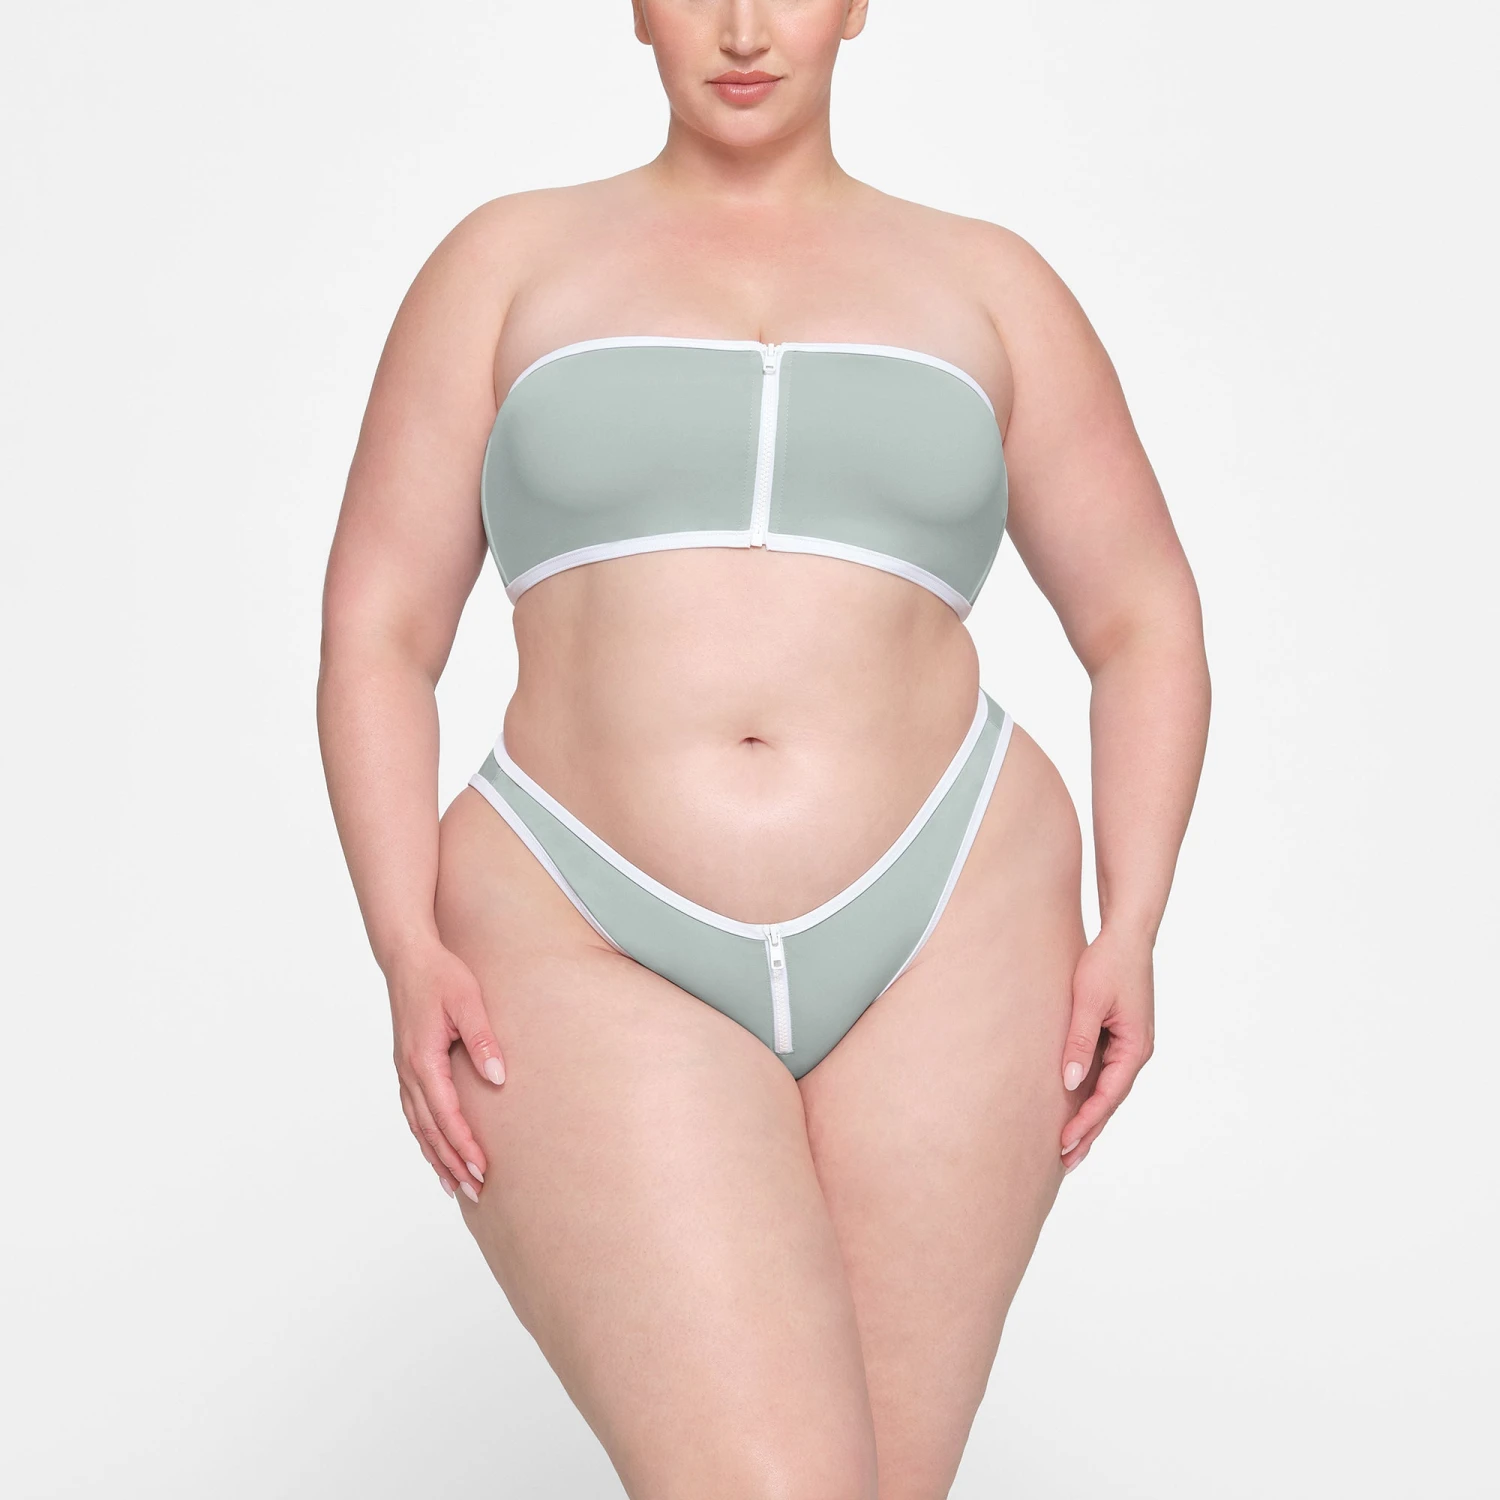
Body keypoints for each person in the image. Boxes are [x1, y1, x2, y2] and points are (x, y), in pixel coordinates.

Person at [318, 2, 1210, 1494]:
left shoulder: (993, 286)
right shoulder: (503, 265)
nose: (742, 28)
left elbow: (1143, 617)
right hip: (576, 917)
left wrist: (1135, 925)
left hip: (953, 921)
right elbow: (378, 632)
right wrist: (403, 942)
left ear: (858, 5)